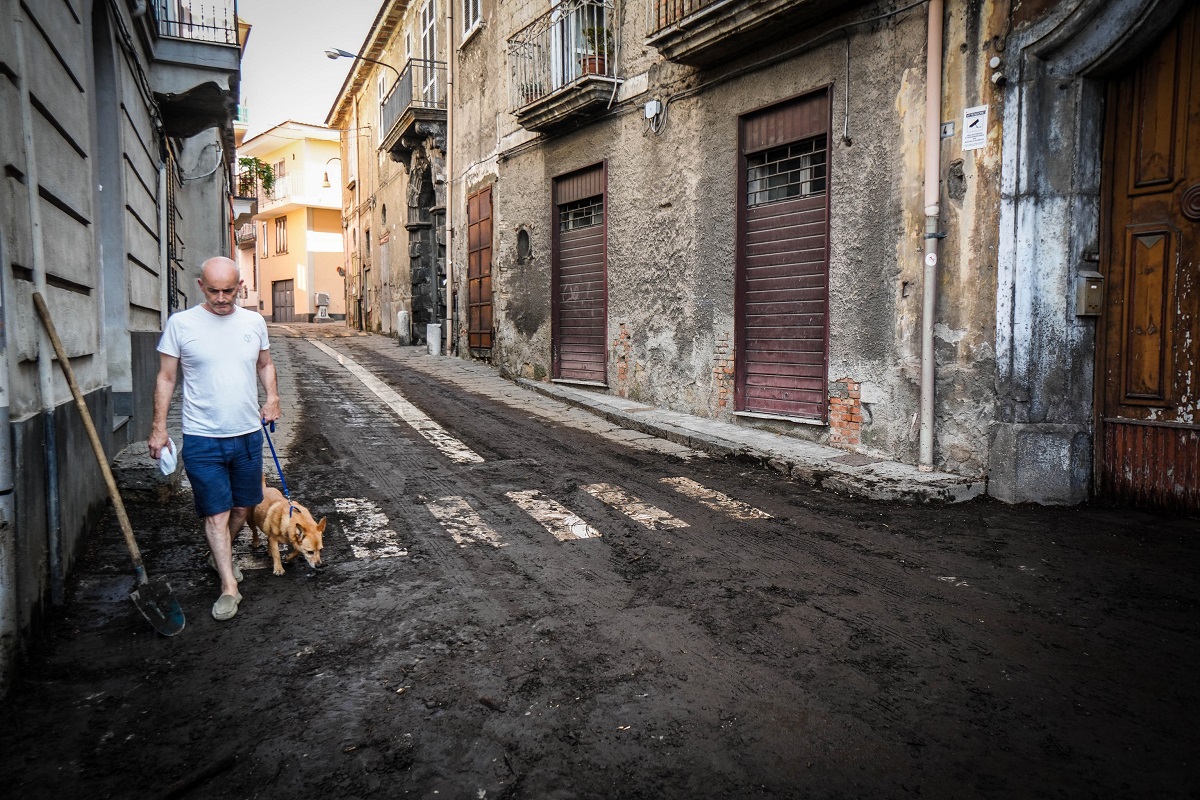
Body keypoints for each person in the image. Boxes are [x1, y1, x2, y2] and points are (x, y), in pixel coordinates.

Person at [148, 257, 281, 621]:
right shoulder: (182, 324)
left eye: (229, 290)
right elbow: (166, 378)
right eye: (214, 290)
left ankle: (216, 554)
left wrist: (272, 397)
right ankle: (228, 586)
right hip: (202, 438)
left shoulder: (254, 322)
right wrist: (159, 427)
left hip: (248, 436)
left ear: (241, 285)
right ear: (200, 285)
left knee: (242, 508)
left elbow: (264, 363)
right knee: (217, 514)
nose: (222, 298)